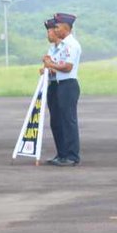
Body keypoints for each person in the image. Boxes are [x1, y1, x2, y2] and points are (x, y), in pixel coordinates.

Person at [43, 12, 82, 167]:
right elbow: (47, 61)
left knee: (68, 121)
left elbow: (66, 67)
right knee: (56, 122)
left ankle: (72, 156)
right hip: (55, 85)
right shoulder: (57, 46)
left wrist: (50, 65)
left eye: (57, 27)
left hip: (67, 85)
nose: (55, 29)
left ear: (66, 28)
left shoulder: (72, 45)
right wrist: (49, 64)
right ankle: (61, 154)